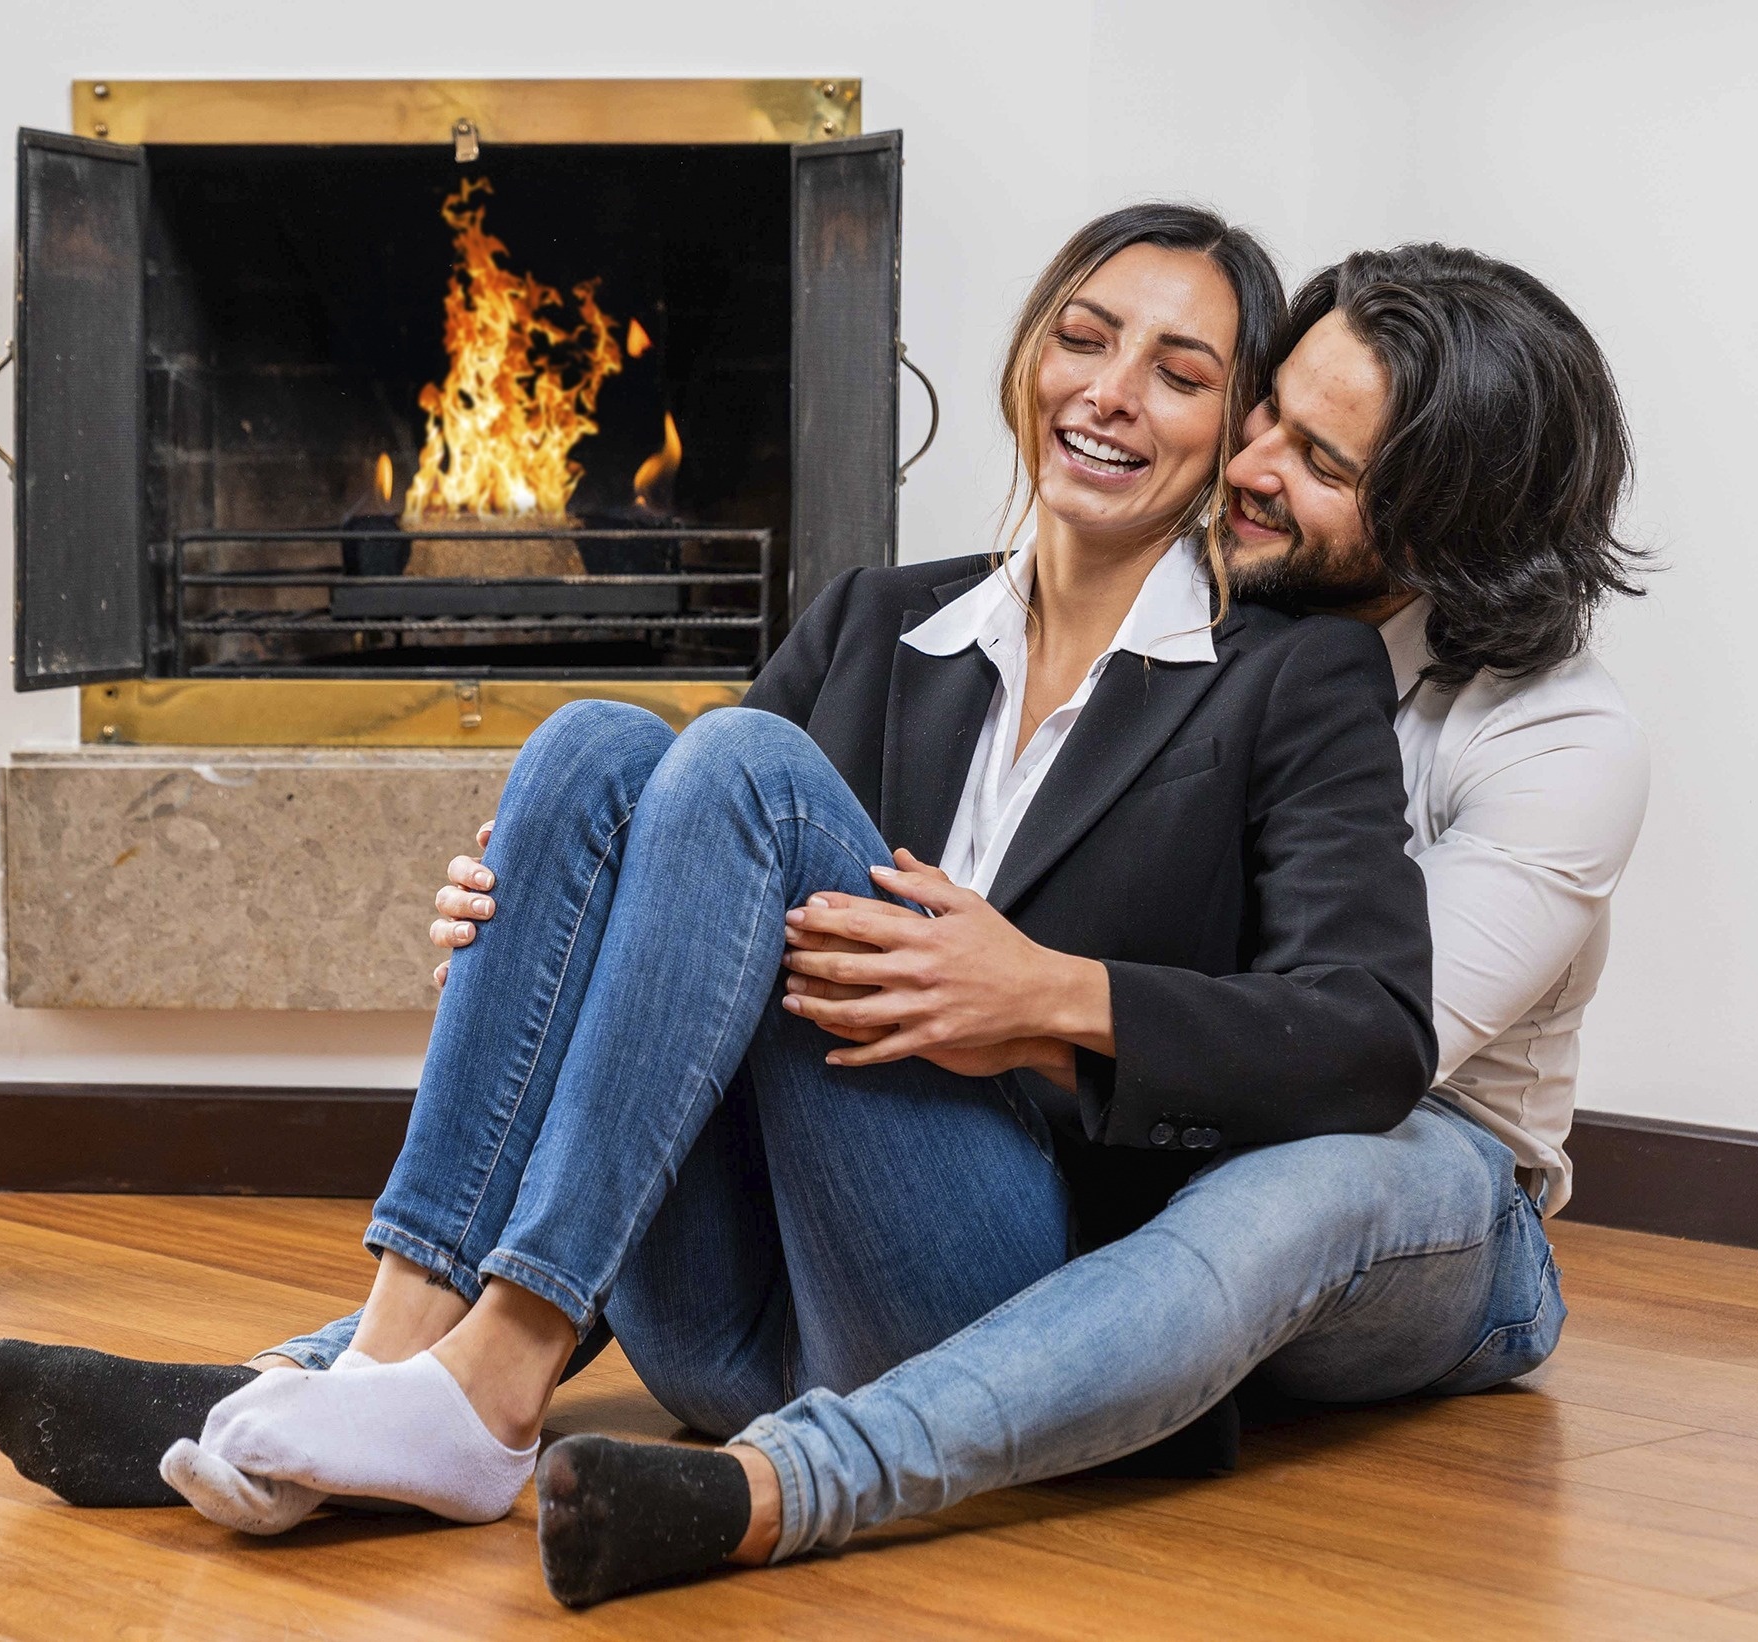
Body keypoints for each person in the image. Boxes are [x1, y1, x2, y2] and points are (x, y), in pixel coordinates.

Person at [0, 203, 1440, 1598]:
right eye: (1084, 335)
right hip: (725, 1324)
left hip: (977, 1300)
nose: (1111, 391)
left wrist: (1049, 995)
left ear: (1232, 428)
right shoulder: (875, 618)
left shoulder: (1286, 682)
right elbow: (672, 877)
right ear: (1024, 358)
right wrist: (521, 911)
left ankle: (479, 1381)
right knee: (596, 750)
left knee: (733, 759)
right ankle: (392, 1352)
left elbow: (1369, 1035)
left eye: (1178, 374)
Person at [511, 242, 1654, 1598]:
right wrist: (595, 895)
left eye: (1322, 464)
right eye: (1266, 407)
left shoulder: (1556, 740)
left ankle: (804, 1479)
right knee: (626, 776)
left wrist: (1038, 993)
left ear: (1442, 529)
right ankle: (424, 1360)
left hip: (1429, 1179)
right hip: (1111, 1138)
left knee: (1305, 1183)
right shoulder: (1199, 617)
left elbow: (1354, 1055)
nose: (1248, 462)